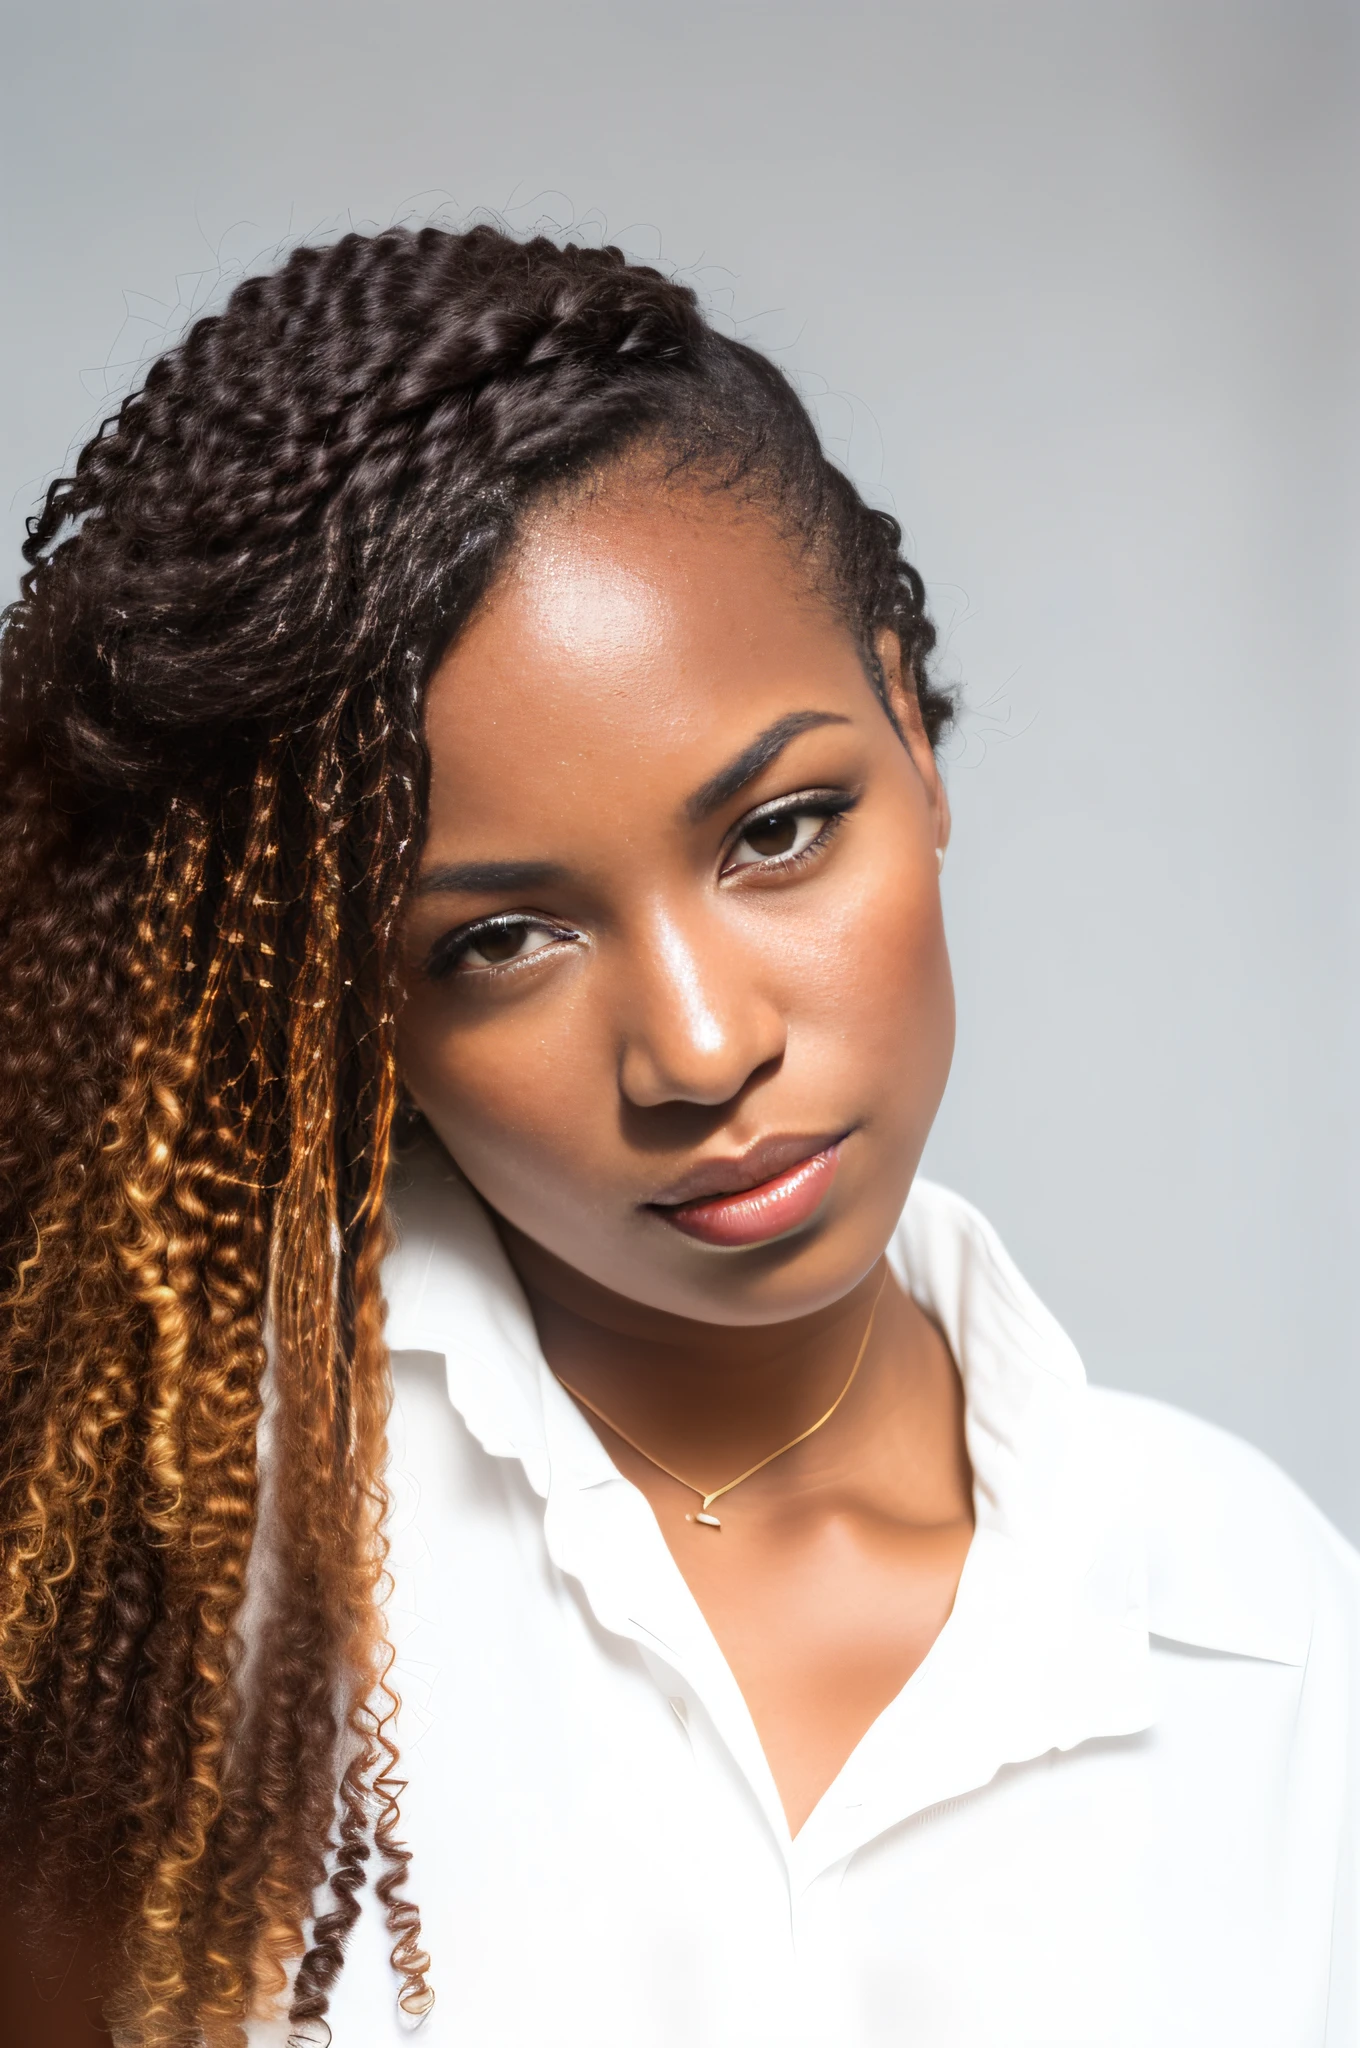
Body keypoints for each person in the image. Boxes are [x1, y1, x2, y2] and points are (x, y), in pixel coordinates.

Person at [0, 225, 1354, 2048]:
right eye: (500, 942)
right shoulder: (154, 1595)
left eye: (780, 831)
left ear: (914, 733)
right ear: (355, 1006)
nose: (703, 1050)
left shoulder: (1263, 1630)